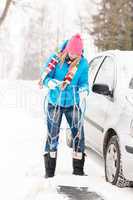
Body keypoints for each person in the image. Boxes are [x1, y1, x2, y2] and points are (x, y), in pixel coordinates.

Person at [39, 34, 89, 178]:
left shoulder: (83, 63)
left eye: (77, 54)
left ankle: (78, 170)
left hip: (73, 103)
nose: (73, 56)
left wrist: (85, 89)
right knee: (52, 135)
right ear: (67, 49)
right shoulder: (55, 59)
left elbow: (84, 81)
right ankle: (49, 172)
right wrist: (50, 82)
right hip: (55, 102)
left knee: (78, 135)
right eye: (72, 52)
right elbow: (45, 76)